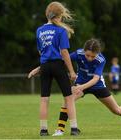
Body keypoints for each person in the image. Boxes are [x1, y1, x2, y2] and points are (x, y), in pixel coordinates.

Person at [29, 38, 121, 136]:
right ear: (84, 51)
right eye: (88, 55)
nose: (89, 58)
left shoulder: (101, 60)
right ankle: (60, 130)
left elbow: (95, 79)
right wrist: (39, 68)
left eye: (93, 56)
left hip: (97, 85)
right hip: (81, 83)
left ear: (97, 53)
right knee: (68, 100)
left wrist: (81, 87)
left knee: (116, 110)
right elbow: (58, 61)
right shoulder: (78, 54)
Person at [31, 1, 80, 136]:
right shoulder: (61, 30)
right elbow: (64, 52)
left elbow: (41, 52)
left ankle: (43, 130)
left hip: (45, 66)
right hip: (58, 65)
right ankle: (74, 129)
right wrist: (71, 71)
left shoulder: (39, 30)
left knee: (44, 99)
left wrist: (41, 67)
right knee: (68, 97)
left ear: (47, 15)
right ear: (59, 16)